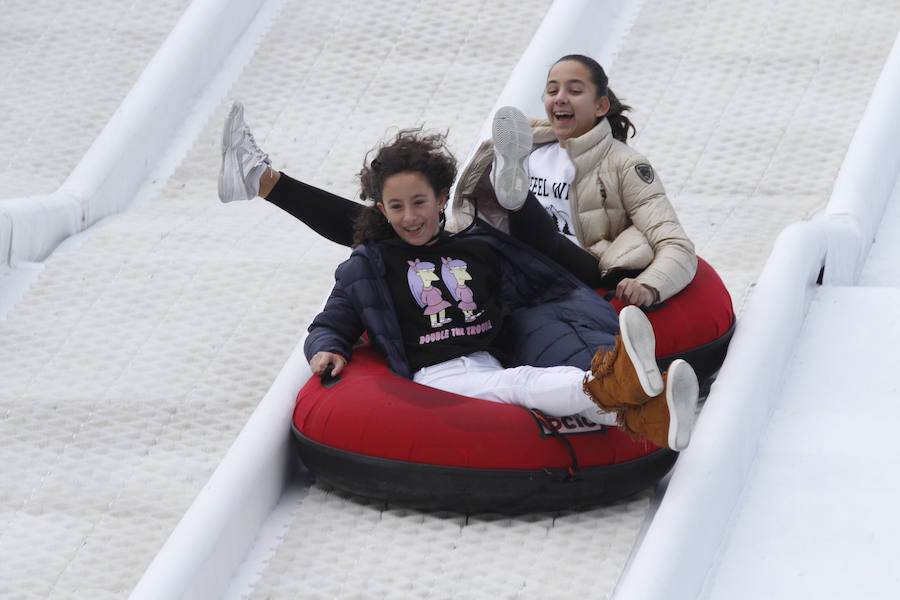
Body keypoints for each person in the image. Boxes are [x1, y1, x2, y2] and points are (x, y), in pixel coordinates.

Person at [293, 128, 699, 451]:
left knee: (532, 382)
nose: (410, 216)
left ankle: (649, 416)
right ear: (381, 209)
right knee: (521, 385)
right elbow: (333, 320)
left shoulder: (474, 250)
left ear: (440, 199)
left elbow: (538, 285)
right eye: (396, 207)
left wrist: (598, 292)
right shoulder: (369, 266)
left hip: (490, 360)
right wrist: (326, 348)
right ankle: (610, 379)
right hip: (437, 376)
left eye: (419, 202)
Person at [217, 54, 696, 307]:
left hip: (576, 270)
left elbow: (676, 244)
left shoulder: (625, 165)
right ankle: (261, 178)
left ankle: (515, 199)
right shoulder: (527, 140)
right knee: (385, 224)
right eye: (552, 89)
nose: (560, 98)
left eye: (575, 89)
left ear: (601, 106)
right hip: (497, 249)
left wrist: (650, 286)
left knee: (532, 227)